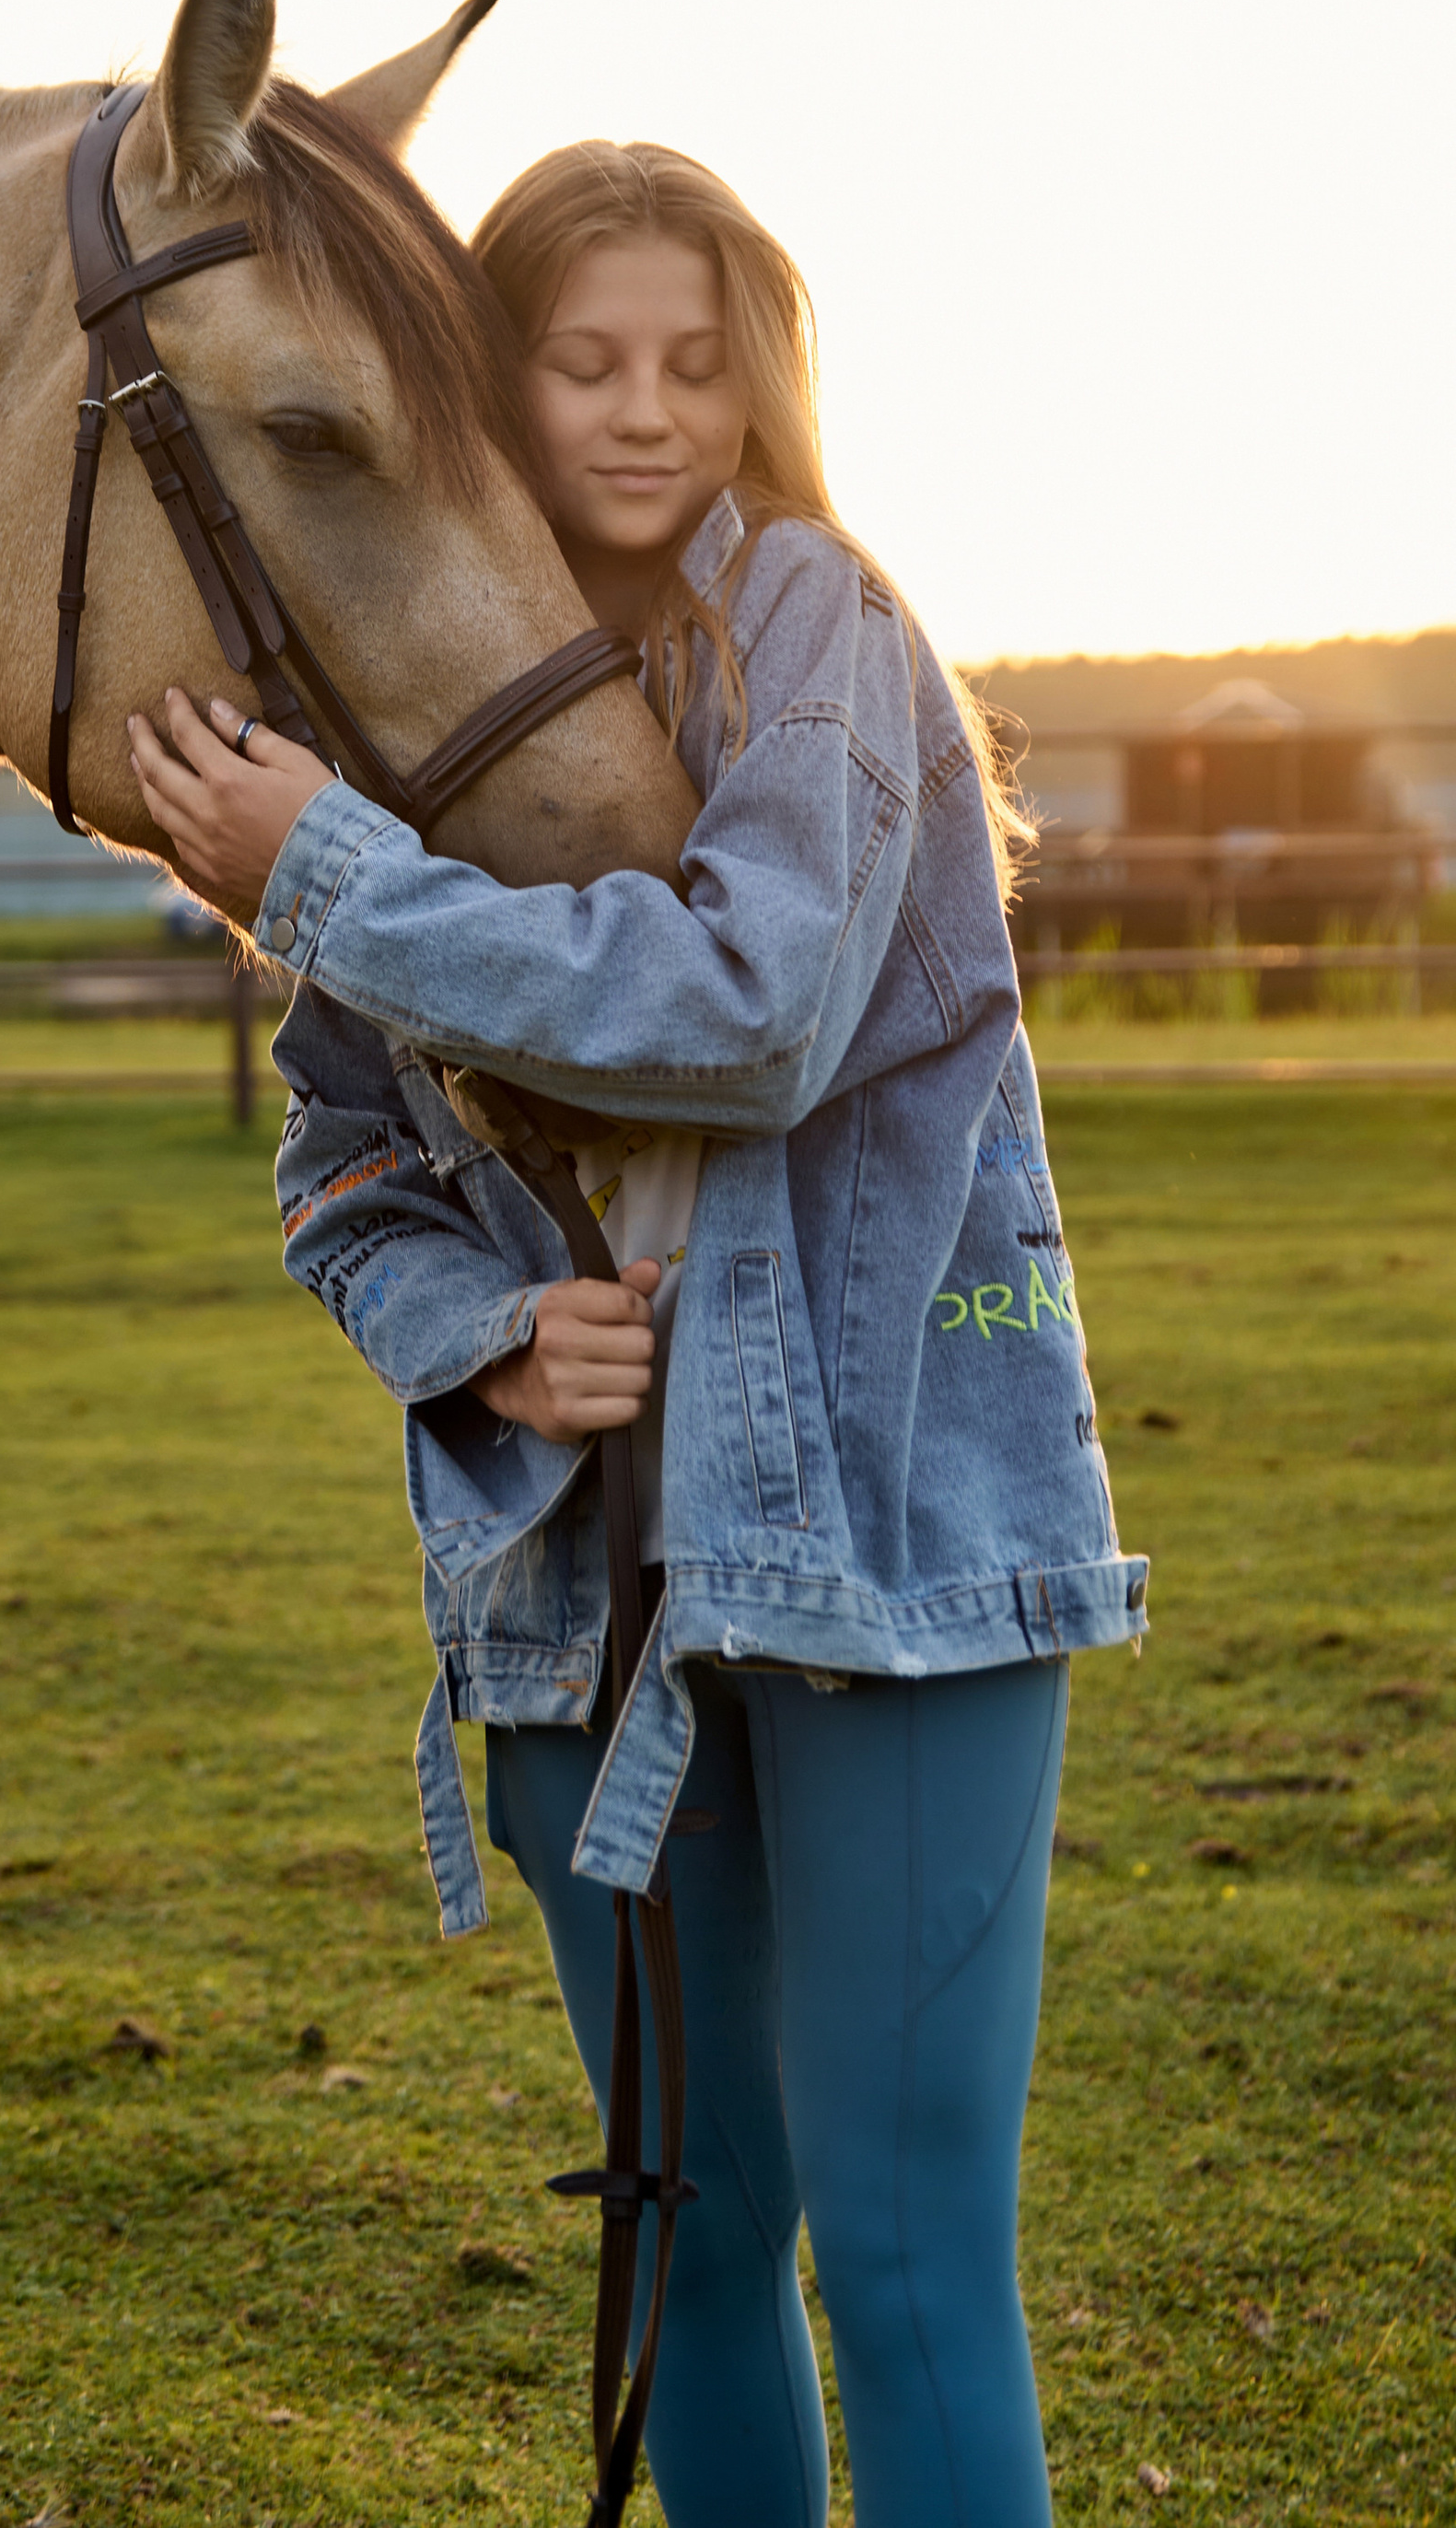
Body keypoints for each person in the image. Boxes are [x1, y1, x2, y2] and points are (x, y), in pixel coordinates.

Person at [125, 138, 1146, 2528]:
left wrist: (326, 875)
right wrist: (485, 1336)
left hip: (888, 1553)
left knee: (906, 2257)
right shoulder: (407, 703)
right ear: (489, 378)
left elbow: (757, 1010)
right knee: (685, 2237)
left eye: (698, 361)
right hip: (581, 1585)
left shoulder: (813, 623)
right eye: (582, 360)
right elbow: (343, 1159)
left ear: (763, 383)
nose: (645, 408)